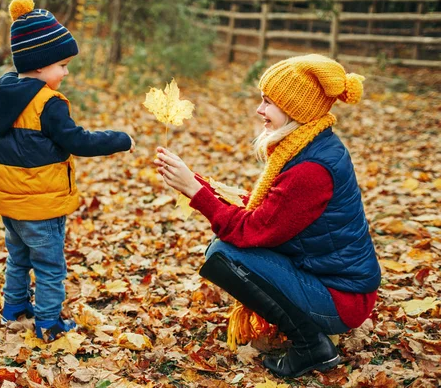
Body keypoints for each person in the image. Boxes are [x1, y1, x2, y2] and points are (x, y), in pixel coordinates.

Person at [154, 54, 380, 378]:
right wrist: (196, 181)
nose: (260, 110)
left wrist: (196, 192)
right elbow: (269, 212)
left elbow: (250, 230)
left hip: (342, 298)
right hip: (333, 282)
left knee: (225, 254)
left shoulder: (312, 169)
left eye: (268, 102)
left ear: (296, 109)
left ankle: (311, 346)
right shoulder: (309, 146)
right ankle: (308, 331)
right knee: (227, 250)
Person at [0, 0, 135, 341]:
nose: (66, 72)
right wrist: (119, 139)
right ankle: (49, 324)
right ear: (40, 64)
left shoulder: (1, 95)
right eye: (62, 65)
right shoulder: (47, 104)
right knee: (50, 267)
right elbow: (77, 141)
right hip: (42, 205)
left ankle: (14, 310)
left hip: (10, 203)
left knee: (18, 260)